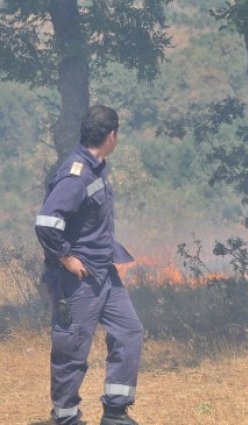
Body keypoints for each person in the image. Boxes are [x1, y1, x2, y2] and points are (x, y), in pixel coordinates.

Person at [35, 105, 143, 425]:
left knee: (129, 330)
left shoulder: (96, 167)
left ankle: (115, 412)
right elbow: (45, 223)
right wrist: (66, 258)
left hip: (104, 273)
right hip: (79, 279)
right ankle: (66, 418)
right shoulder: (76, 174)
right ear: (112, 135)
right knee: (73, 349)